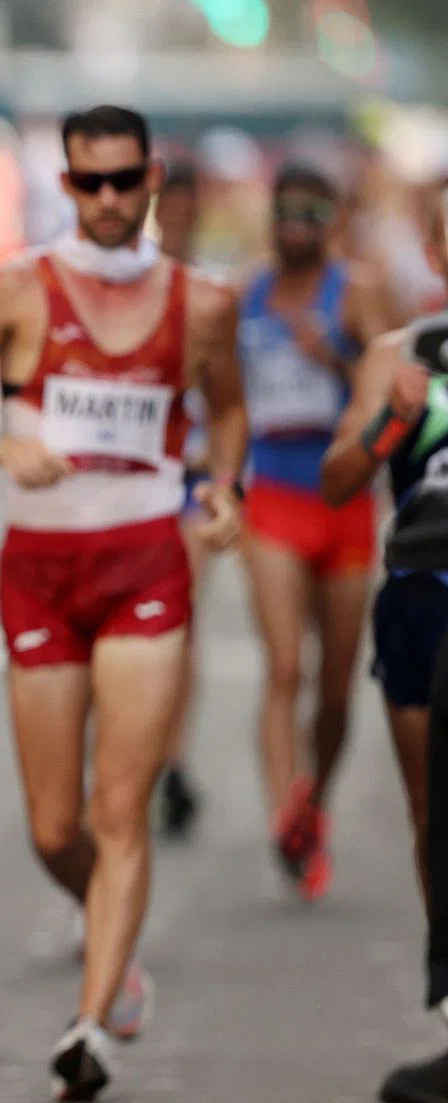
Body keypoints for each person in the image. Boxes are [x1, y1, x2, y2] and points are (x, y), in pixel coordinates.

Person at [0, 105, 246, 1102]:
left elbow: (231, 413)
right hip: (41, 569)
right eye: (86, 182)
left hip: (144, 566)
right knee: (54, 825)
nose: (106, 201)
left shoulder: (203, 303)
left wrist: (224, 489)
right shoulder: (13, 289)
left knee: (118, 804)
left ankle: (88, 1022)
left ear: (153, 177)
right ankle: (115, 942)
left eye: (122, 180)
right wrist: (4, 442)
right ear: (65, 182)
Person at [319, 185, 448, 1103]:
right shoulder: (399, 356)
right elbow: (336, 481)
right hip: (419, 599)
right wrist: (390, 423)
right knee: (436, 822)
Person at [239, 163, 395, 899]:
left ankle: (315, 804)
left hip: (343, 502)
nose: (294, 223)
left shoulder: (356, 292)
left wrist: (329, 355)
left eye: (310, 211)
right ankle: (283, 815)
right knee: (283, 669)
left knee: (334, 688)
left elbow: (391, 380)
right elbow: (223, 393)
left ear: (331, 219)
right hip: (272, 494)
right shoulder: (247, 294)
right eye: (284, 210)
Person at [153, 160, 209, 839]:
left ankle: (174, 758)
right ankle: (145, 747)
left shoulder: (213, 291)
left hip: (192, 480)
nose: (180, 220)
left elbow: (232, 398)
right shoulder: (134, 282)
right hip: (140, 476)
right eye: (173, 208)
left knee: (182, 622)